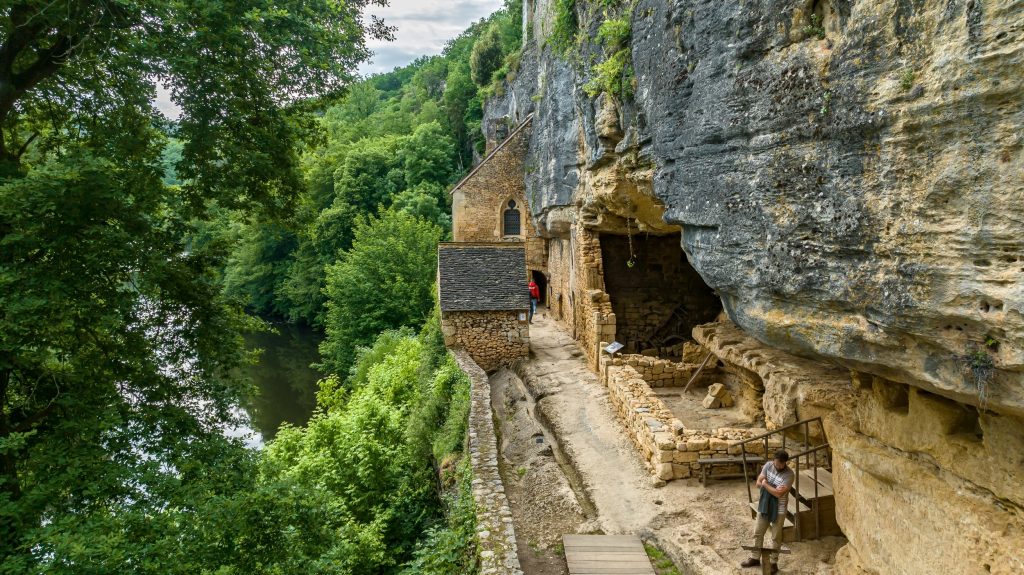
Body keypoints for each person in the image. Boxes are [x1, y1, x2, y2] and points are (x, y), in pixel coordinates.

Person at [741, 450, 795, 573]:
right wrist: (769, 486)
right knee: (758, 532)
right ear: (773, 460)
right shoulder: (768, 465)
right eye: (776, 463)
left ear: (785, 463)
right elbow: (758, 483)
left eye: (781, 464)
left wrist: (766, 484)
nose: (778, 466)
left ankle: (773, 563)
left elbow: (778, 494)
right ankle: (755, 558)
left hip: (779, 509)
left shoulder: (789, 474)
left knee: (776, 536)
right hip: (764, 505)